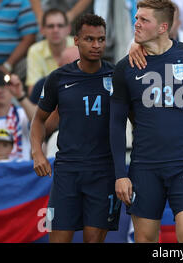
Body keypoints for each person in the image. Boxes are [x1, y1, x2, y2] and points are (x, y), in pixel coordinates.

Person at [110, 0, 183, 243]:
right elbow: (116, 123)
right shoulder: (125, 67)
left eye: (143, 19)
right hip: (144, 167)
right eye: (136, 18)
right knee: (145, 240)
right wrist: (121, 173)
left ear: (163, 27)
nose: (136, 23)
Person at [30, 14, 119, 243]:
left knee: (93, 239)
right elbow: (38, 120)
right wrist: (37, 152)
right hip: (67, 171)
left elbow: (137, 120)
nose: (96, 45)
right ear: (76, 40)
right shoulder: (58, 78)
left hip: (103, 172)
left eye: (101, 39)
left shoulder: (117, 77)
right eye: (89, 39)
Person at [26, 8, 75, 95]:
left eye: (60, 25)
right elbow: (33, 93)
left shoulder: (79, 47)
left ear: (68, 29)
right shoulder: (35, 51)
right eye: (50, 26)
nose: (55, 30)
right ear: (42, 30)